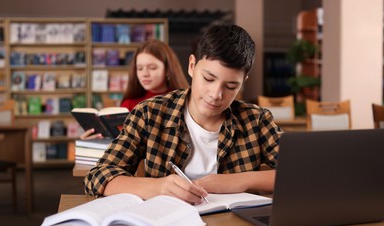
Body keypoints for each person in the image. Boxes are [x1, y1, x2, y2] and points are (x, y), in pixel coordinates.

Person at [84, 23, 283, 204]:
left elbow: (305, 171)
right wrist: (159, 187)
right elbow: (98, 176)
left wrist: (236, 181)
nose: (216, 95)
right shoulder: (149, 113)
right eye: (208, 78)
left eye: (231, 86)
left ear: (243, 81)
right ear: (191, 66)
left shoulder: (256, 121)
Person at [81, 39, 189, 139]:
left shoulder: (184, 103)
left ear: (167, 70)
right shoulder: (128, 106)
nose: (145, 74)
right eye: (140, 68)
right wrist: (96, 142)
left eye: (152, 68)